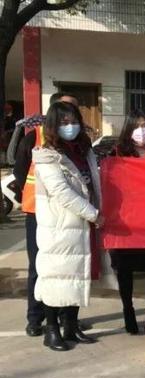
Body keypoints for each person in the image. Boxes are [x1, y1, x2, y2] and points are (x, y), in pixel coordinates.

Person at [33, 101, 104, 351]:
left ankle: (71, 326)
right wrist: (94, 214)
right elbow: (62, 193)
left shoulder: (84, 150)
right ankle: (51, 329)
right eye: (64, 123)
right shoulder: (47, 155)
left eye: (74, 121)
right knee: (55, 277)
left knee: (76, 276)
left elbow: (93, 182)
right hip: (60, 227)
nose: (70, 127)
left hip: (82, 225)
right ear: (53, 125)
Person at [12, 92, 80, 337]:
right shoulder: (34, 138)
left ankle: (64, 317)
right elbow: (20, 172)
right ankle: (35, 318)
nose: (70, 119)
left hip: (68, 213)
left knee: (64, 267)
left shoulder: (76, 142)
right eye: (64, 111)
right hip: (38, 212)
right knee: (39, 266)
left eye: (74, 112)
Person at [111, 110, 145, 333]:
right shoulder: (118, 152)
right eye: (136, 126)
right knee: (125, 269)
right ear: (128, 129)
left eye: (144, 126)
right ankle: (128, 309)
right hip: (127, 221)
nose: (141, 131)